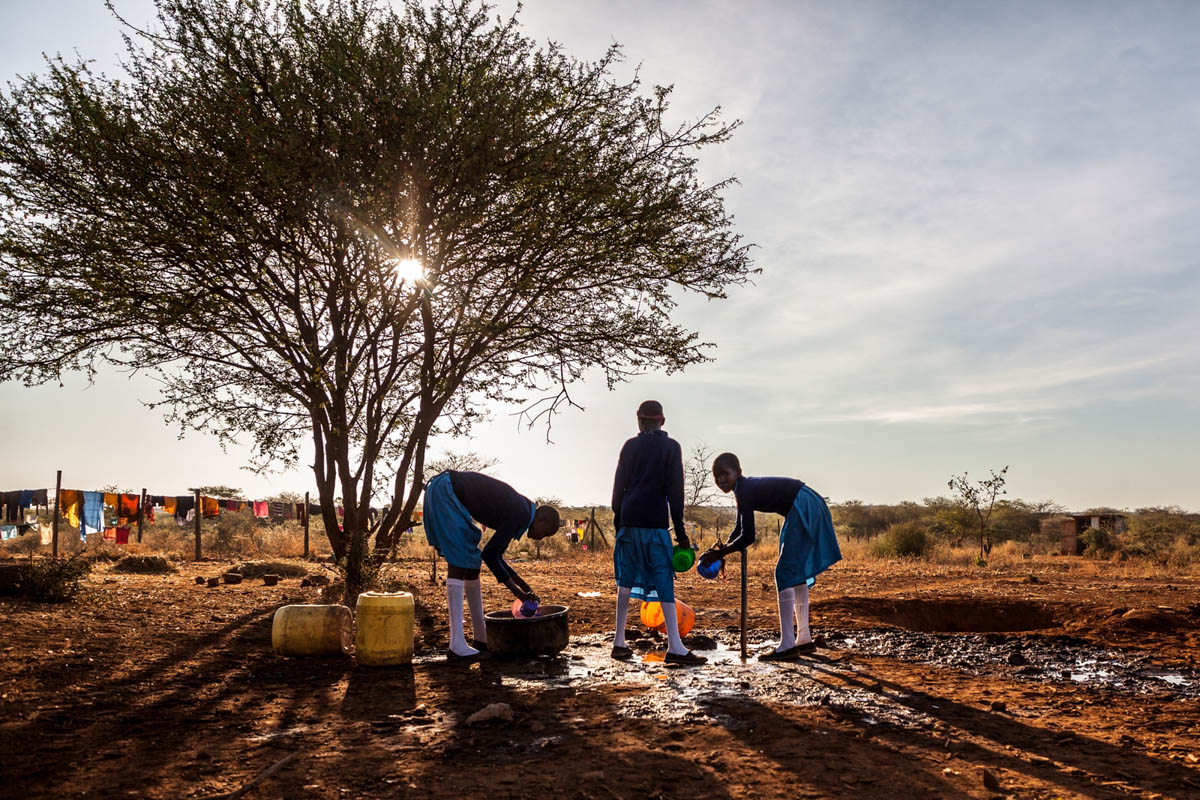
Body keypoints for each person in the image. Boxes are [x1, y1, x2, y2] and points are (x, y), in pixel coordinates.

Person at [699, 453, 842, 661]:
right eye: (716, 476)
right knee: (796, 574)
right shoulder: (742, 490)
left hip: (803, 504)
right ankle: (804, 639)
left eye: (725, 474)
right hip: (805, 502)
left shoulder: (744, 490)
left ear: (738, 473)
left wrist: (720, 553)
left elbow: (748, 536)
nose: (721, 480)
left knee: (784, 573)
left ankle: (787, 645)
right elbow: (740, 527)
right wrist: (722, 551)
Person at [423, 469, 560, 661]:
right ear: (541, 519)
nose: (540, 538)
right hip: (447, 489)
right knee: (460, 561)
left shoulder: (521, 511)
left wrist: (525, 587)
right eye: (544, 532)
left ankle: (481, 639)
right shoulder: (520, 513)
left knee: (471, 562)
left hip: (445, 488)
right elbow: (490, 554)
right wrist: (517, 593)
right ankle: (456, 645)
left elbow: (496, 556)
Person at [610, 400, 707, 666]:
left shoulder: (630, 446)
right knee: (664, 580)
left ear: (639, 420)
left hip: (629, 520)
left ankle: (619, 642)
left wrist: (620, 524)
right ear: (662, 421)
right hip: (655, 522)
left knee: (625, 581)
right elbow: (675, 494)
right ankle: (675, 646)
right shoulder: (671, 447)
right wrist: (681, 535)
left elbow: (618, 490)